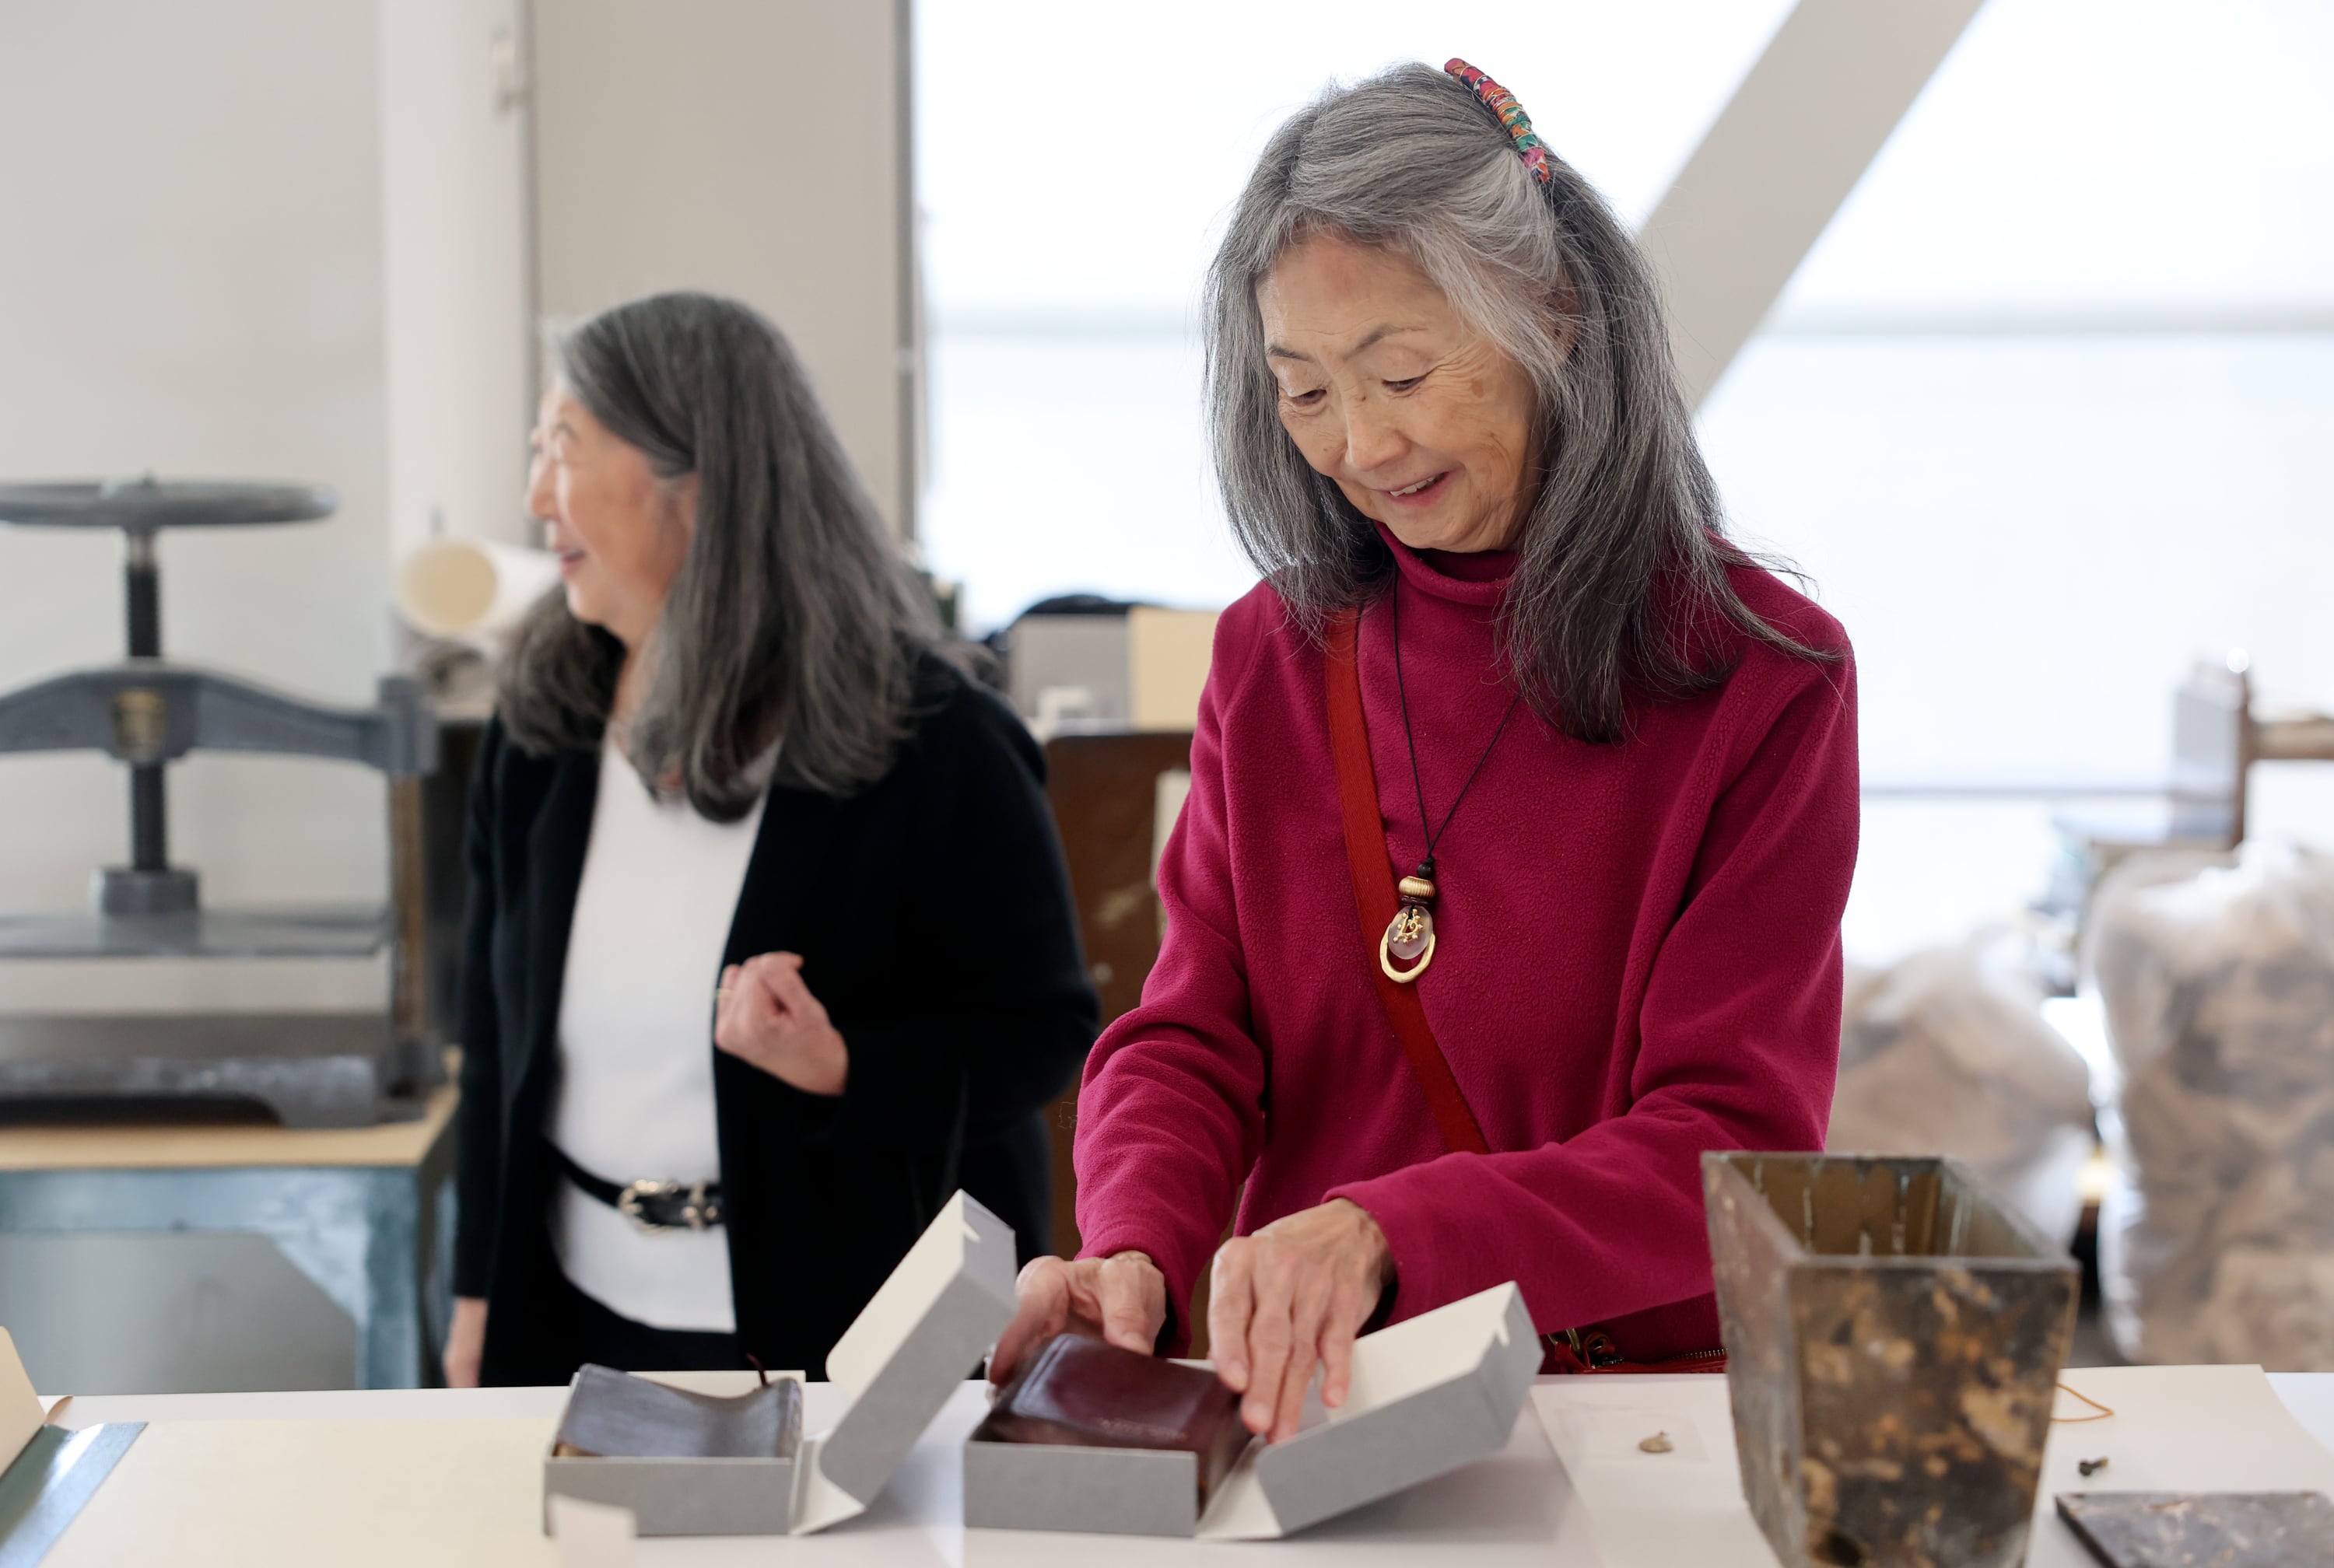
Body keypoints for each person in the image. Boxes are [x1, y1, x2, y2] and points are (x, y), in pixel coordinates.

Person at [990, 61, 1858, 1443]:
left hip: (1617, 1424)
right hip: (1320, 1407)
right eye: (1304, 391)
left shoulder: (1756, 677)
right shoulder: (1272, 654)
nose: (1362, 446)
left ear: (1554, 318)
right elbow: (1190, 1031)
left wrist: (1387, 1229)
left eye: (1401, 373)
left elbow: (1732, 1146)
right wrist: (1136, 1248)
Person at [445, 292, 1097, 1387]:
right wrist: (475, 1291)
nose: (535, 496)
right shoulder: (542, 728)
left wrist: (845, 1066)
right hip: (576, 1320)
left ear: (695, 482)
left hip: (852, 1334)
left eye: (565, 446)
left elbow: (1046, 1032)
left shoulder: (936, 741)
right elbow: (493, 1036)